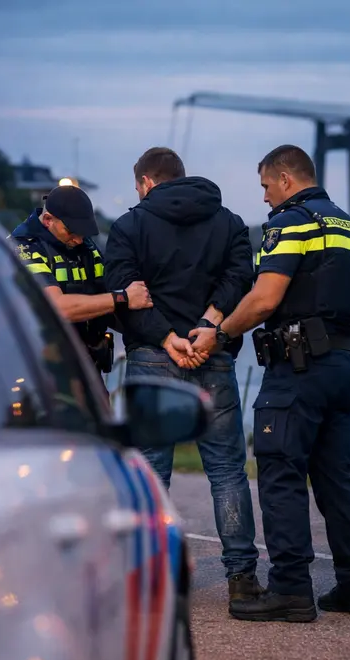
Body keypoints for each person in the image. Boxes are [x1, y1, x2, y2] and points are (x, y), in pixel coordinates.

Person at [188, 144, 350, 623]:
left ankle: (292, 589)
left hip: (297, 369)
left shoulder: (292, 222)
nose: (266, 198)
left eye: (267, 187)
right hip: (342, 368)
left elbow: (265, 299)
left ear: (287, 180)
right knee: (338, 479)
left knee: (280, 472)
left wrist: (219, 333)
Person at [103, 147, 262, 608]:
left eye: (138, 187)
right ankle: (243, 582)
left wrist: (168, 338)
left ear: (147, 182)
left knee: (151, 472)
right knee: (228, 470)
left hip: (153, 357)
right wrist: (209, 324)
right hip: (212, 355)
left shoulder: (130, 225)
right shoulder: (228, 222)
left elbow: (122, 293)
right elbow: (240, 278)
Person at [8, 185, 152, 375]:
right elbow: (58, 308)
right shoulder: (24, 248)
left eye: (83, 233)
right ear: (48, 220)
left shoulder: (84, 246)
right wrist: (122, 297)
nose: (78, 239)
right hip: (41, 371)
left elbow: (106, 291)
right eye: (71, 232)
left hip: (87, 367)